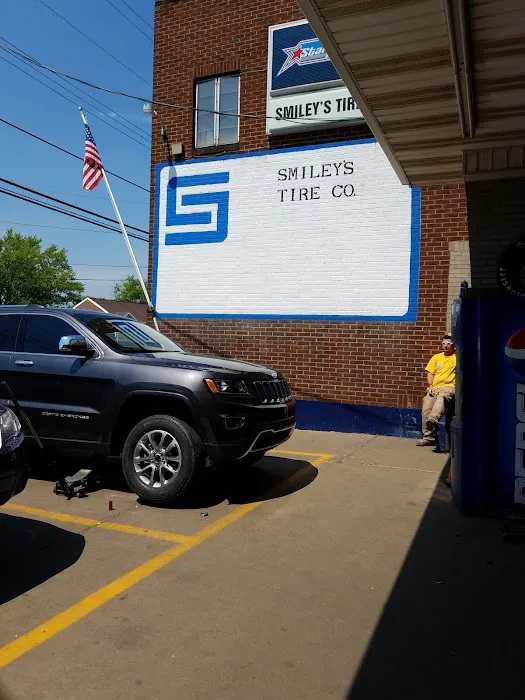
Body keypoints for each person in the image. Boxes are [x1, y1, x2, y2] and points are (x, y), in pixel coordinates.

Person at [416, 334, 456, 447]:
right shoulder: (436, 357)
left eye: (448, 344)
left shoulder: (457, 357)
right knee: (426, 405)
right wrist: (430, 386)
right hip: (435, 387)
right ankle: (429, 438)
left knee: (442, 397)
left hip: (449, 386)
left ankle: (433, 420)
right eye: (443, 343)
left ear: (453, 345)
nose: (445, 346)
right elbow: (430, 373)